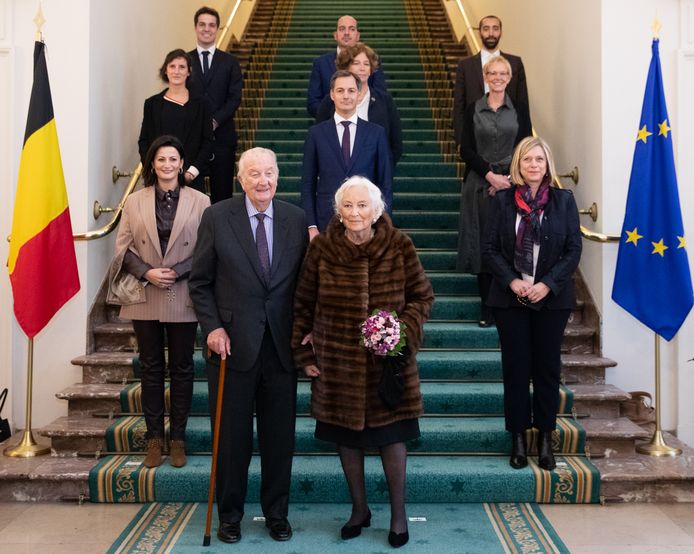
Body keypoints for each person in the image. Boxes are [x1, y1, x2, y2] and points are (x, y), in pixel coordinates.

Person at [292, 177, 434, 548]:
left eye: (362, 205)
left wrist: (399, 331)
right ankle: (359, 510)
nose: (355, 212)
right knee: (347, 439)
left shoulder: (400, 244)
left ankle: (399, 516)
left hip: (390, 364)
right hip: (338, 362)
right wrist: (304, 354)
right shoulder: (322, 248)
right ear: (338, 211)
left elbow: (422, 295)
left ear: (377, 209)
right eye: (348, 206)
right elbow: (303, 304)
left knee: (393, 438)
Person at [188, 147, 308, 544]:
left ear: (278, 176)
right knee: (231, 439)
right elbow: (200, 282)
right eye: (254, 174)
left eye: (269, 173)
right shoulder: (217, 217)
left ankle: (277, 514)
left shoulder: (295, 218)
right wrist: (213, 327)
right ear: (240, 180)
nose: (263, 181)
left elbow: (305, 286)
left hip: (281, 347)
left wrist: (308, 328)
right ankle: (230, 515)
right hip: (231, 348)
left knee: (279, 439)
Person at [107, 135, 210, 469]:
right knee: (150, 368)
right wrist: (148, 272)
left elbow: (208, 250)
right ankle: (154, 438)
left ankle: (177, 438)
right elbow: (122, 247)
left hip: (183, 292)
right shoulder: (135, 201)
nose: (167, 165)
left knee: (182, 368)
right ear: (152, 164)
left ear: (182, 164)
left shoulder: (201, 201)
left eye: (173, 159)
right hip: (145, 292)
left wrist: (177, 272)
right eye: (161, 159)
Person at [482, 136, 582, 472]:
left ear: (547, 164)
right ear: (518, 165)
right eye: (527, 159)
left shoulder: (563, 201)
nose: (533, 165)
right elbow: (490, 250)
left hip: (551, 301)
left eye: (539, 159)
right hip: (510, 299)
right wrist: (513, 281)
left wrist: (546, 285)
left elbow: (573, 250)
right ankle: (518, 438)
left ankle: (545, 437)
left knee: (546, 370)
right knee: (516, 369)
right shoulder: (502, 202)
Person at [456, 56, 532, 327]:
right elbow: (465, 149)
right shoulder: (472, 109)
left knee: (510, 243)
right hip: (479, 184)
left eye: (503, 73)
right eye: (493, 73)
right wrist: (490, 175)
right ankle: (487, 307)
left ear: (509, 78)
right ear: (486, 77)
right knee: (483, 245)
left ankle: (508, 304)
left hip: (514, 184)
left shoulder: (520, 109)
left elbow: (526, 146)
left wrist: (509, 179)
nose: (498, 77)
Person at [302, 70, 392, 239]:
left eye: (351, 90)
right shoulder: (316, 134)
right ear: (332, 94)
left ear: (359, 95)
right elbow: (308, 184)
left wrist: (382, 224)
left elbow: (385, 183)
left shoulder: (376, 133)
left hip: (366, 223)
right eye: (340, 90)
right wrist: (311, 225)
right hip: (325, 223)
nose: (346, 96)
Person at [138, 49, 214, 194]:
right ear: (165, 70)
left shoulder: (202, 104)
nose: (176, 71)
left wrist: (192, 172)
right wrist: (154, 168)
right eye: (172, 66)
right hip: (159, 177)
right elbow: (144, 141)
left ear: (189, 71)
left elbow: (207, 141)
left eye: (182, 67)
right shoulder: (152, 104)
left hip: (191, 179)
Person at [188, 6, 243, 203]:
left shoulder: (230, 62)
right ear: (195, 27)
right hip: (192, 141)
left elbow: (234, 98)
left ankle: (221, 235)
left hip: (223, 139)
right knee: (193, 197)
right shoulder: (185, 61)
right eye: (202, 24)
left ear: (217, 29)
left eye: (211, 25)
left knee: (223, 196)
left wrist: (214, 121)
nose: (206, 29)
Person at [316, 42, 402, 168]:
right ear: (346, 67)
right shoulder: (329, 101)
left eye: (366, 64)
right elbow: (319, 140)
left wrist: (384, 169)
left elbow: (396, 143)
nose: (362, 68)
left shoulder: (384, 100)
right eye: (356, 63)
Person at [453, 15, 529, 148]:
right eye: (486, 29)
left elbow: (523, 103)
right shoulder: (465, 65)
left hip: (510, 136)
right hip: (475, 136)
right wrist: (460, 140)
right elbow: (459, 105)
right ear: (480, 32)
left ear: (501, 32)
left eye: (495, 29)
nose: (491, 33)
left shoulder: (515, 63)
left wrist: (527, 142)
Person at [307, 14, 387, 118]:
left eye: (352, 29)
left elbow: (380, 96)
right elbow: (313, 103)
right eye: (342, 29)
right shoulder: (320, 63)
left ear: (358, 35)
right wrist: (338, 117)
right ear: (335, 35)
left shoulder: (372, 60)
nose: (346, 33)